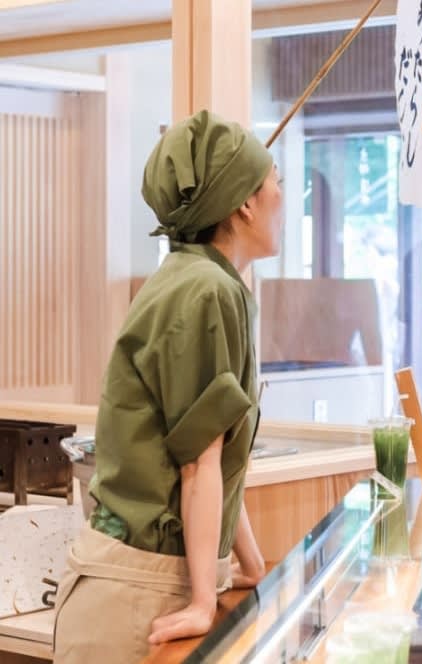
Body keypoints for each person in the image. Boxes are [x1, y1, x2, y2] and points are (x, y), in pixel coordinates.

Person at [54, 110, 283, 662]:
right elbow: (198, 460)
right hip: (136, 590)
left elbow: (217, 454)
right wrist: (204, 600)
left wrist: (250, 564)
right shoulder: (206, 290)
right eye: (274, 180)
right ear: (244, 204)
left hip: (145, 581)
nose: (282, 196)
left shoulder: (201, 278)